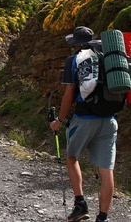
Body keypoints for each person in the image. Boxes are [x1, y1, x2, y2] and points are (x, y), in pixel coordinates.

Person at [50, 26, 117, 222]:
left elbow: (69, 94)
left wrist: (59, 120)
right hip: (109, 120)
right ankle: (102, 217)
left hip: (84, 119)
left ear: (76, 44)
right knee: (107, 170)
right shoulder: (108, 58)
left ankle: (80, 205)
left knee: (72, 158)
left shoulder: (75, 60)